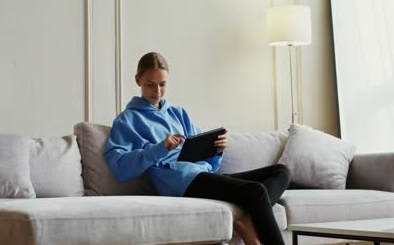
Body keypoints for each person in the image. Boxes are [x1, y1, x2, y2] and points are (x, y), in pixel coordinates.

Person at [104, 52, 291, 245]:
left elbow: (203, 154)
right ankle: (251, 223)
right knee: (256, 191)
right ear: (138, 80)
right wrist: (160, 148)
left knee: (282, 171)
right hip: (177, 182)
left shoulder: (178, 113)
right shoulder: (128, 119)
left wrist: (216, 149)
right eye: (151, 84)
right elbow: (120, 167)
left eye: (162, 84)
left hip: (200, 175)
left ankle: (249, 222)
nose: (157, 91)